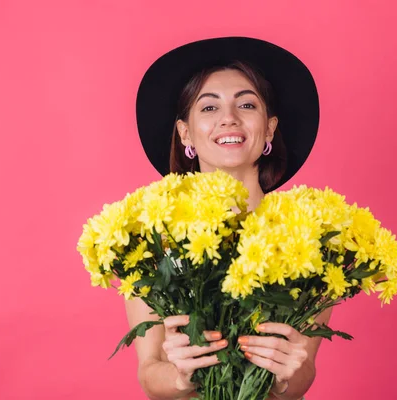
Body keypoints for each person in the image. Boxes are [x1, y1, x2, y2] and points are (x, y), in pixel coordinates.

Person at [126, 36, 326, 400]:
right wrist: (180, 375)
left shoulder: (308, 236)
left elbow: (303, 371)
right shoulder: (152, 237)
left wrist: (283, 378)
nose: (229, 119)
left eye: (246, 104)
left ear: (268, 128)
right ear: (185, 132)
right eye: (208, 108)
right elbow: (149, 371)